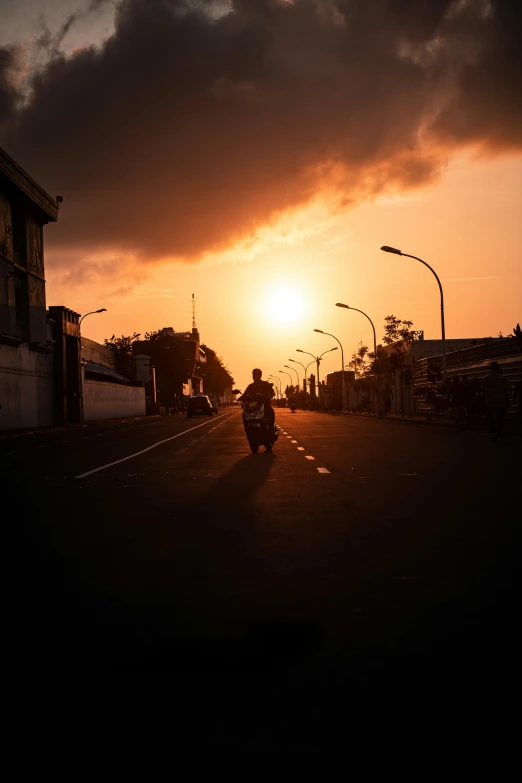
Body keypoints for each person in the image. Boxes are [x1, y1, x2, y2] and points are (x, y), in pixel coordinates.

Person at [241, 368, 276, 433]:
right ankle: (247, 430)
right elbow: (244, 394)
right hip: (253, 405)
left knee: (271, 411)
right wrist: (242, 397)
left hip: (264, 404)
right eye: (253, 374)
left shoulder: (265, 384)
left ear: (260, 375)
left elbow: (272, 392)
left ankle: (271, 429)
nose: (254, 376)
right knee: (244, 414)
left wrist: (269, 394)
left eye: (256, 374)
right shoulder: (251, 386)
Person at [482, 361, 510, 442]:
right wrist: (507, 402)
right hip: (501, 401)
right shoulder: (503, 378)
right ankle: (500, 435)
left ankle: (494, 432)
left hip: (490, 401)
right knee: (500, 419)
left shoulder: (486, 378)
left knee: (491, 419)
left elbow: (484, 391)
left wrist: (484, 402)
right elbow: (506, 391)